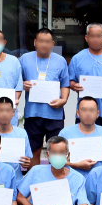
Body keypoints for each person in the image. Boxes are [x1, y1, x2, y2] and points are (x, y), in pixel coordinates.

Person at [20, 28, 70, 169]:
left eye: (47, 41)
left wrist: (64, 100)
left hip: (54, 113)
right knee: (33, 150)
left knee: (56, 150)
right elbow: (17, 82)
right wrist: (23, 84)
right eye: (41, 41)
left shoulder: (60, 61)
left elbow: (65, 84)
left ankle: (53, 179)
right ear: (35, 42)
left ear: (52, 43)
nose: (44, 44)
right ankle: (34, 178)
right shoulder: (25, 59)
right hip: (33, 113)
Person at [59, 96, 102, 179]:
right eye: (84, 110)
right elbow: (57, 161)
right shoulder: (65, 133)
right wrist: (76, 165)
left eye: (92, 110)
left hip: (99, 179)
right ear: (78, 113)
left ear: (97, 114)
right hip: (72, 179)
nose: (88, 113)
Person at [0, 97, 33, 180]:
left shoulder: (21, 133)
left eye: (8, 110)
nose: (4, 114)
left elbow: (28, 159)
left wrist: (26, 163)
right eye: (1, 110)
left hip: (15, 180)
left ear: (13, 112)